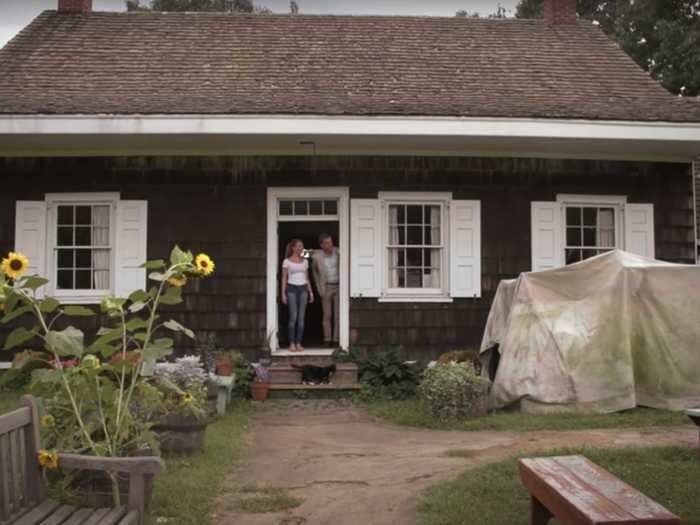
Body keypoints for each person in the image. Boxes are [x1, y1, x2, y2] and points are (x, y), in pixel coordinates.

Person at [281, 239, 314, 352]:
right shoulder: (286, 261)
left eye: (302, 246)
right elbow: (284, 278)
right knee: (293, 317)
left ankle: (299, 343)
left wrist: (311, 292)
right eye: (299, 246)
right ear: (293, 248)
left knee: (301, 318)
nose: (301, 248)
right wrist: (283, 294)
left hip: (303, 289)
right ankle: (292, 343)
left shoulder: (305, 261)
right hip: (291, 289)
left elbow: (307, 278)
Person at [312, 233, 339, 348]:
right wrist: (319, 287)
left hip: (339, 286)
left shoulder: (339, 251)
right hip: (326, 287)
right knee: (327, 315)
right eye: (327, 243)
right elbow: (299, 252)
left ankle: (336, 339)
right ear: (321, 245)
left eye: (331, 242)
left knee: (338, 314)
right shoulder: (316, 255)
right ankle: (327, 339)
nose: (330, 244)